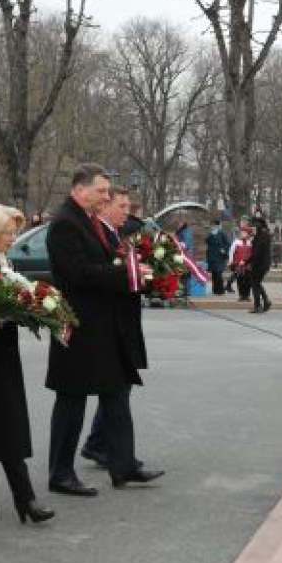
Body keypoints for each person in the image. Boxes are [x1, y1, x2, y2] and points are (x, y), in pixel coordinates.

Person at [44, 164, 162, 495]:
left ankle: (123, 465)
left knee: (115, 393)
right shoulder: (65, 224)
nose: (106, 197)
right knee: (72, 400)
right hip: (79, 326)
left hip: (102, 325)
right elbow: (78, 273)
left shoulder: (91, 221)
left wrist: (135, 272)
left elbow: (108, 262)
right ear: (79, 189)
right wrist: (126, 275)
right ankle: (60, 473)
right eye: (101, 191)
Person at [0, 204, 55, 525]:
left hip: (4, 354)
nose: (12, 237)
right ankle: (26, 500)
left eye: (14, 231)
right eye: (7, 232)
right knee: (4, 424)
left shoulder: (5, 259)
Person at [80, 187, 153, 479]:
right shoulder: (104, 234)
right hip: (112, 324)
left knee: (118, 391)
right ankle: (120, 460)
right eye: (122, 206)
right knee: (117, 392)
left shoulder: (114, 234)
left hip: (122, 322)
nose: (128, 211)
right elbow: (102, 274)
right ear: (106, 206)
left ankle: (101, 446)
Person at [247, 215, 274, 313]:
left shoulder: (261, 236)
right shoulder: (264, 235)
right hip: (262, 264)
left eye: (253, 226)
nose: (252, 228)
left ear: (258, 225)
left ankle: (258, 306)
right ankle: (266, 301)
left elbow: (256, 253)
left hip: (259, 265)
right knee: (257, 283)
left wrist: (246, 262)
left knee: (255, 284)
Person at [205, 219, 231, 295]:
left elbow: (228, 244)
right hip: (212, 256)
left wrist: (224, 250)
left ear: (218, 226)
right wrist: (211, 235)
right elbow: (207, 241)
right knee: (214, 274)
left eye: (215, 225)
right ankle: (215, 290)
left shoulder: (222, 234)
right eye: (212, 225)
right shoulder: (210, 233)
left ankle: (221, 290)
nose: (213, 227)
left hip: (219, 257)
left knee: (218, 273)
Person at [228, 225, 253, 301]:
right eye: (241, 232)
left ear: (248, 234)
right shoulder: (236, 242)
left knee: (248, 280)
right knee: (240, 280)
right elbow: (231, 252)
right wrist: (231, 262)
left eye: (244, 232)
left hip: (248, 265)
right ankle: (241, 295)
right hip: (238, 264)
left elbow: (252, 253)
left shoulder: (251, 242)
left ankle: (247, 295)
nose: (242, 234)